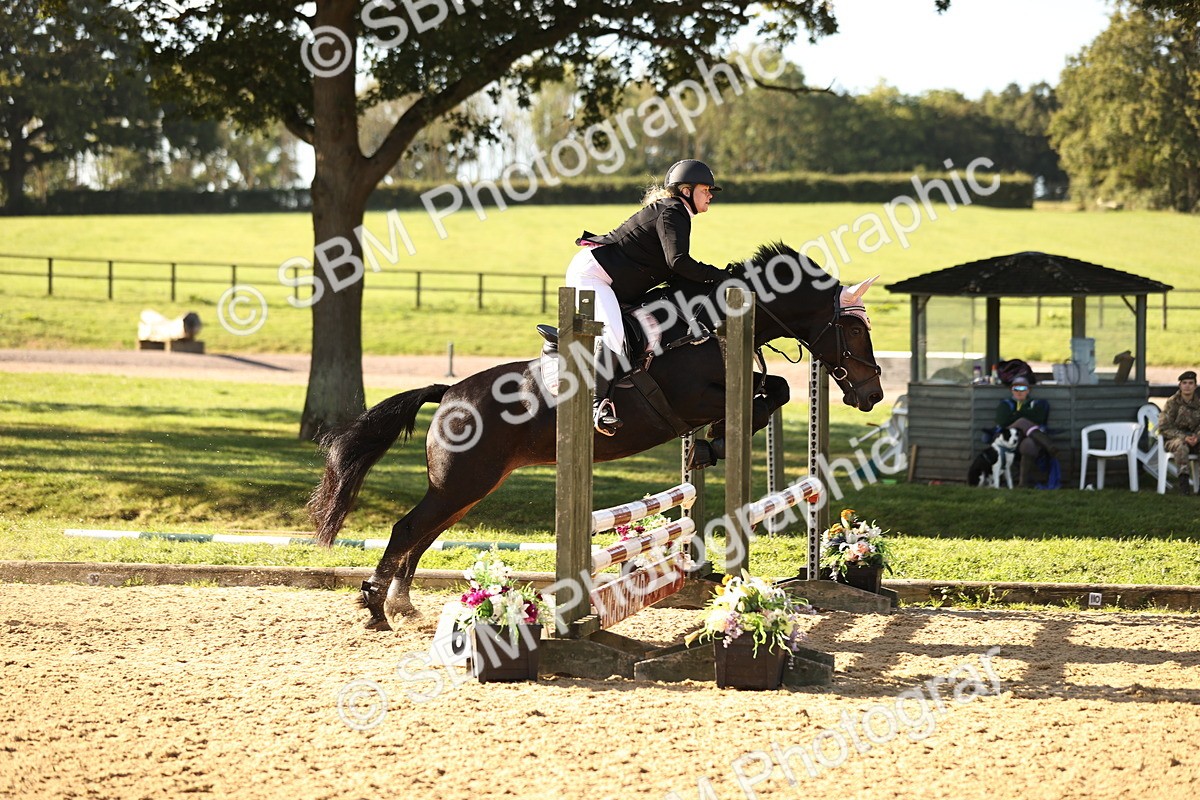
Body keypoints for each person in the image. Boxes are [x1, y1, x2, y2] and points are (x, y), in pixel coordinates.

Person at [567, 159, 728, 435]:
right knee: (613, 332)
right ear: (686, 191)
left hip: (612, 281)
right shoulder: (673, 211)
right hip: (593, 276)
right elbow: (678, 262)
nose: (711, 195)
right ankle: (596, 406)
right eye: (706, 189)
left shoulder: (675, 212)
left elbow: (676, 274)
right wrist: (719, 275)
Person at [994, 380, 1059, 488]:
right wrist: (1024, 414)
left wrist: (1016, 414)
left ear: (1028, 390)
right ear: (1011, 390)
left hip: (1028, 438)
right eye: (1016, 389)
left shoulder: (1036, 404)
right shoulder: (1005, 405)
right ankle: (1048, 445)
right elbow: (1002, 421)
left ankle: (1022, 484)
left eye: (1023, 389)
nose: (1019, 392)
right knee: (1022, 421)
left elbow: (1039, 419)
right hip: (1009, 438)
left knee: (1029, 444)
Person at [1159, 370, 1200, 495]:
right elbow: (1164, 427)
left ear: (1195, 386)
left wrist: (1197, 436)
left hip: (1194, 439)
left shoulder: (1198, 404)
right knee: (1181, 447)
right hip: (1173, 440)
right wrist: (1184, 437)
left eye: (1190, 383)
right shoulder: (1172, 403)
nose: (1187, 386)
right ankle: (1184, 486)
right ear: (1180, 385)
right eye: (1184, 383)